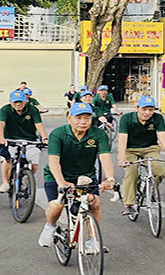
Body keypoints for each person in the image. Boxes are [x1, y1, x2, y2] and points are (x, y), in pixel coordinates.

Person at [38, 102, 115, 247]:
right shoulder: (58, 134)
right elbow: (53, 160)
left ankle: (93, 240)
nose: (83, 122)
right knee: (56, 206)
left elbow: (105, 156)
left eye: (87, 118)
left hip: (85, 176)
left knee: (95, 203)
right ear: (69, 118)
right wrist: (61, 182)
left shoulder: (98, 134)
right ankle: (50, 226)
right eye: (78, 118)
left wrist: (109, 178)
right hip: (57, 175)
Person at [116, 96, 165, 215]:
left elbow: (163, 137)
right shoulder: (126, 119)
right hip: (130, 150)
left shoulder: (157, 118)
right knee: (131, 173)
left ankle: (151, 189)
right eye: (144, 109)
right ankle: (129, 204)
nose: (147, 113)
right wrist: (122, 157)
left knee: (159, 171)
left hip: (150, 148)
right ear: (137, 108)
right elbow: (122, 139)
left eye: (151, 110)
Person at [0, 90, 49, 193]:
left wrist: (45, 138)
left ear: (25, 101)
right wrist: (1, 137)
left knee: (33, 163)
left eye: (21, 101)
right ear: (10, 102)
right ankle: (5, 183)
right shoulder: (5, 109)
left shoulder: (32, 109)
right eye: (15, 102)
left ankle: (27, 178)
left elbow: (39, 125)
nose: (18, 104)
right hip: (10, 139)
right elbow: (0, 123)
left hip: (30, 140)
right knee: (7, 159)